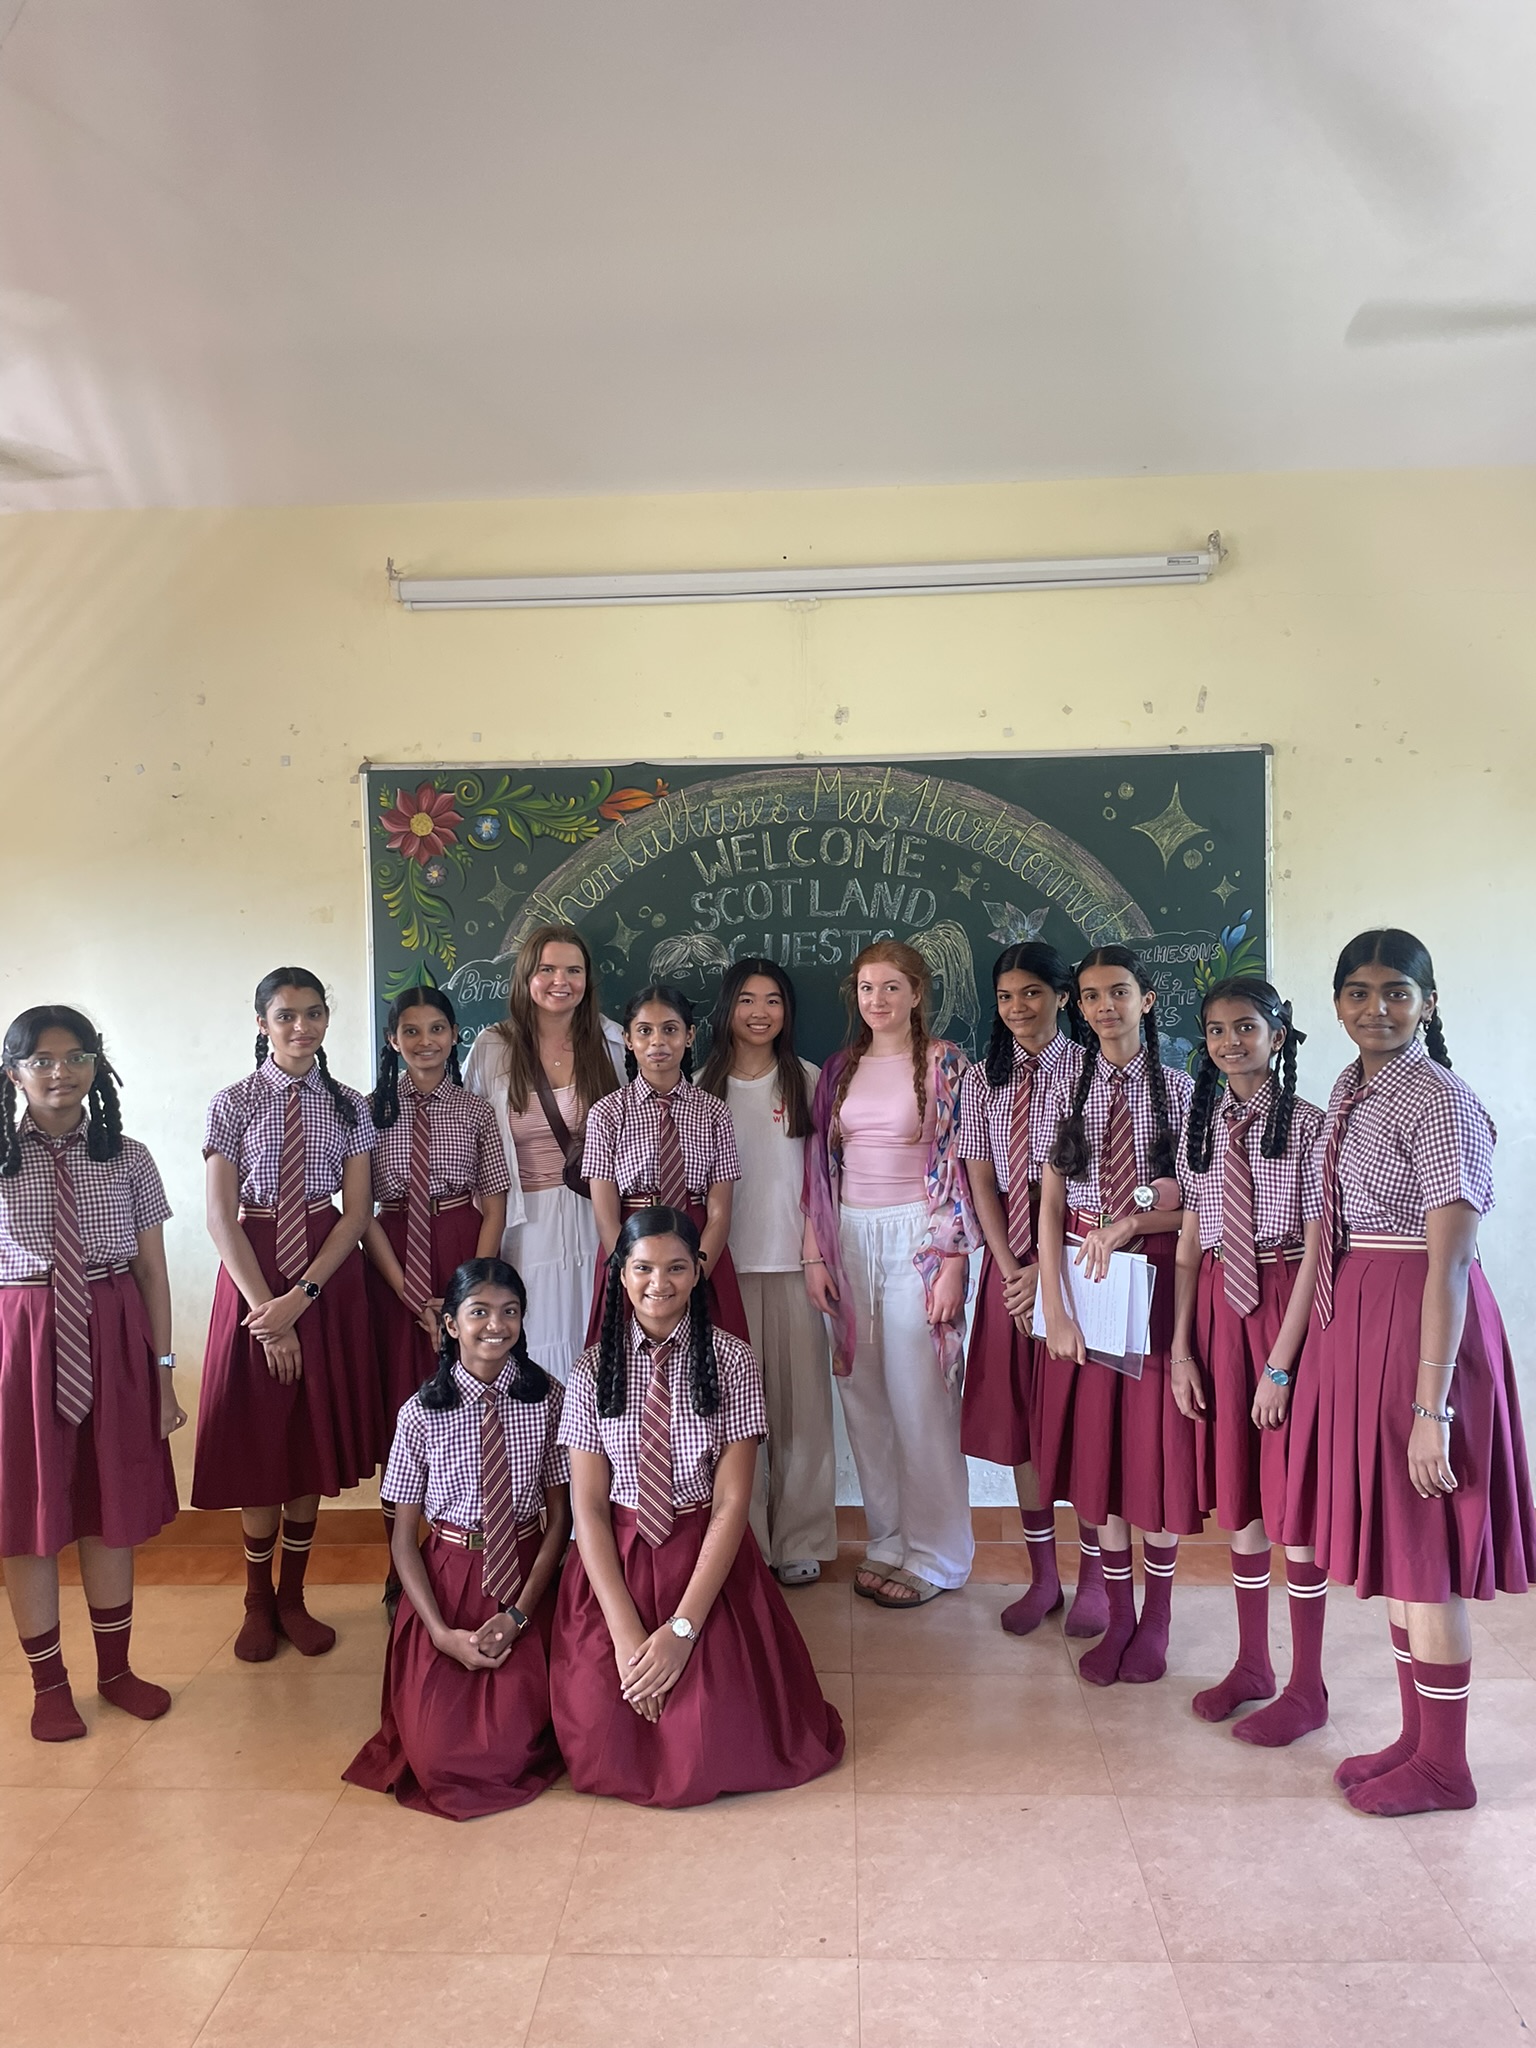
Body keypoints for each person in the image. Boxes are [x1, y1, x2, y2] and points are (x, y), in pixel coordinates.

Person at [1284, 929, 1535, 1814]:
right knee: (1398, 1542)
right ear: (1336, 1004)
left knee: (1424, 1548)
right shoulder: (1350, 1087)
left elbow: (1450, 1264)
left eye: (1397, 991)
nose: (1376, 1008)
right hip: (1364, 1320)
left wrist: (1432, 1409)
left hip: (1423, 1330)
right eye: (1358, 992)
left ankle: (1446, 1767)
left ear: (1429, 1002)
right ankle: (1416, 1738)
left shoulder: (1441, 1101)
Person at [550, 1206, 844, 1806]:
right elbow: (589, 1508)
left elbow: (733, 1500)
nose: (659, 1283)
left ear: (698, 1271)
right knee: (599, 1741)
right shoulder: (589, 1369)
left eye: (676, 1268)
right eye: (643, 1268)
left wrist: (682, 1631)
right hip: (617, 1563)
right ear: (620, 1273)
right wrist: (627, 1635)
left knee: (711, 1740)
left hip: (704, 1556)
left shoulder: (733, 1360)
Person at [0, 1007, 183, 1742]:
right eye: (42, 1060)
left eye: (76, 1057)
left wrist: (164, 1374)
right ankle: (49, 1685)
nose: (61, 1072)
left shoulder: (129, 1157)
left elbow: (153, 1273)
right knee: (29, 1519)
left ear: (97, 1066)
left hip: (114, 1331)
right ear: (13, 1073)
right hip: (22, 1341)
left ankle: (116, 1671)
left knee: (111, 1509)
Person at [192, 967, 378, 1661]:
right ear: (262, 1024)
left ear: (327, 1019)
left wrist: (303, 1297)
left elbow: (356, 1213)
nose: (301, 1027)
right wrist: (266, 1313)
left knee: (305, 1438)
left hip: (325, 1278)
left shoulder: (351, 1105)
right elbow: (220, 1216)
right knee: (259, 1439)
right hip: (253, 1275)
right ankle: (256, 1600)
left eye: (314, 1013)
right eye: (286, 1015)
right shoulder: (233, 1103)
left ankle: (294, 1596)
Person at [343, 1259, 570, 1819]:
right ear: (450, 1324)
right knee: (437, 1759)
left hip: (525, 1575)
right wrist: (441, 1634)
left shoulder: (548, 1397)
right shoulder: (420, 1413)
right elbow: (403, 1542)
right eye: (479, 1312)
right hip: (448, 1581)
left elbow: (560, 1519)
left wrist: (520, 1616)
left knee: (511, 1747)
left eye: (510, 1311)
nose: (496, 1325)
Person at [1170, 978, 1329, 1741]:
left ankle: (1307, 1685)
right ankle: (1252, 1665)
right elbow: (1189, 1245)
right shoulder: (1202, 1127)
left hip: (1282, 1303)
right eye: (1217, 1030)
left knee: (1290, 1495)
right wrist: (1180, 1348)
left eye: (1246, 1027)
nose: (1231, 1042)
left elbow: (1318, 1252)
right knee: (1241, 1492)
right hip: (1217, 1314)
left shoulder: (1310, 1126)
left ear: (1277, 1035)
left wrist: (1282, 1365)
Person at [1037, 946, 1194, 1684]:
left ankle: (1157, 1619)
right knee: (1098, 1456)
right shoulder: (1062, 1089)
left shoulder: (1185, 1090)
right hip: (1085, 1276)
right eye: (1092, 995)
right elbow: (1048, 1206)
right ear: (1078, 1005)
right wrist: (1055, 1304)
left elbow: (1196, 1208)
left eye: (1120, 992)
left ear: (1147, 1000)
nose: (1105, 1007)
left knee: (1150, 1455)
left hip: (1154, 1277)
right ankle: (1120, 1616)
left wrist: (1133, 1224)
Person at [803, 940, 976, 1609]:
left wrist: (954, 1261)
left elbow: (961, 1164)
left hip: (918, 1240)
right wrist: (815, 1254)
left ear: (917, 993)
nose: (878, 1000)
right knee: (865, 1397)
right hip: (849, 1237)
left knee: (921, 1399)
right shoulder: (840, 1068)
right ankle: (888, 1540)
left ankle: (938, 1554)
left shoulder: (944, 1062)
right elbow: (820, 1168)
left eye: (892, 987)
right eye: (867, 988)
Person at [955, 942, 1101, 1636]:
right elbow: (980, 1178)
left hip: (1074, 1266)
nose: (1018, 1007)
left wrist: (1045, 1273)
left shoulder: (1090, 1073)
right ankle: (1043, 1578)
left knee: (1083, 1422)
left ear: (1063, 998)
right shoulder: (982, 1079)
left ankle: (1097, 1577)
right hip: (1008, 1266)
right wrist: (1008, 1267)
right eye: (1006, 996)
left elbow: (1083, 1186)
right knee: (1019, 1426)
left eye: (1033, 993)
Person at [363, 985, 508, 1604]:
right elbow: (360, 1212)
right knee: (401, 1414)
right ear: (393, 1040)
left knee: (463, 1409)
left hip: (459, 1252)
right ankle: (400, 1568)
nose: (426, 1042)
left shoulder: (476, 1112)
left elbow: (495, 1205)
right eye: (411, 1031)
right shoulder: (366, 1111)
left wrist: (467, 1296)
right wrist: (407, 1292)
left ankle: (458, 1557)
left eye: (438, 1029)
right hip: (390, 1260)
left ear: (455, 1036)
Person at [697, 957, 837, 1585]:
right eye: (747, 1000)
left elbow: (823, 1181)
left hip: (796, 1267)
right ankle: (743, 1538)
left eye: (773, 1000)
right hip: (721, 1271)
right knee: (732, 1415)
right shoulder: (699, 1086)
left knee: (801, 1411)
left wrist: (816, 1255)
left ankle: (800, 1537)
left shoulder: (807, 1080)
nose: (760, 1013)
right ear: (726, 1008)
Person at [462, 923, 625, 1383]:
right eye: (547, 969)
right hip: (523, 1222)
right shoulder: (493, 1046)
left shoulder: (613, 1042)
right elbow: (471, 1137)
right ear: (525, 976)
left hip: (597, 1216)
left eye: (573, 970)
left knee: (597, 1334)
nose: (561, 981)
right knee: (535, 1336)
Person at [582, 984, 750, 1343]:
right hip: (631, 1249)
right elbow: (605, 1215)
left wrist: (694, 1272)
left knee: (709, 1357)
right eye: (644, 1031)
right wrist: (632, 1270)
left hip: (699, 1248)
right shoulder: (606, 1113)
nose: (657, 1041)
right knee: (626, 1359)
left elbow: (720, 1213)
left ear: (689, 1036)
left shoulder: (714, 1112)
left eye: (670, 1029)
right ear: (628, 1040)